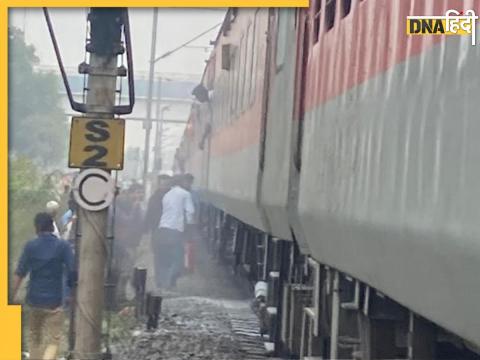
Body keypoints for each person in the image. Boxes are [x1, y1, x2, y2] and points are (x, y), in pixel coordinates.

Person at [12, 212, 76, 360]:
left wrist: (11, 296)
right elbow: (72, 271)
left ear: (36, 228)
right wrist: (71, 293)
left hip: (34, 300)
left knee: (34, 336)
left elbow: (20, 273)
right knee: (53, 340)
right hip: (55, 301)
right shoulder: (63, 246)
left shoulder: (30, 246)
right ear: (52, 226)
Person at [157, 174, 195, 289]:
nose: (190, 185)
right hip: (175, 230)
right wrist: (190, 228)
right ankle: (170, 282)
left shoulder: (167, 195)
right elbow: (190, 212)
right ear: (182, 182)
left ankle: (164, 283)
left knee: (167, 258)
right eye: (188, 182)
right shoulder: (185, 194)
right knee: (178, 259)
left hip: (162, 229)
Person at [145, 175, 172, 289]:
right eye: (162, 184)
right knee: (158, 256)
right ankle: (159, 280)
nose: (164, 186)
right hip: (157, 231)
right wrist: (147, 229)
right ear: (159, 184)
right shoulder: (154, 198)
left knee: (168, 256)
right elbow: (149, 214)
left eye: (166, 184)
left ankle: (166, 279)